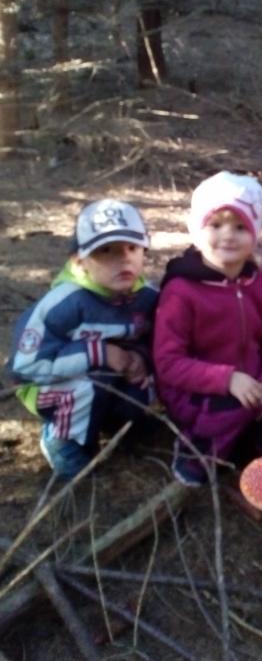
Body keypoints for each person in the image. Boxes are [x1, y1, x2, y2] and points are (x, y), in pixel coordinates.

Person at [153, 171, 262, 486]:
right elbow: (168, 362)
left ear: (255, 233)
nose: (228, 236)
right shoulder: (182, 290)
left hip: (252, 385)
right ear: (197, 230)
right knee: (231, 410)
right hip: (195, 393)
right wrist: (227, 379)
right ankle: (194, 454)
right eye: (216, 225)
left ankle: (249, 456)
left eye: (240, 227)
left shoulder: (259, 283)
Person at [9, 199, 158, 480]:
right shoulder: (65, 303)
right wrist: (98, 353)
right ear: (79, 260)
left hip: (112, 377)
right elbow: (26, 366)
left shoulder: (147, 297)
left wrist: (140, 357)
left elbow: (157, 339)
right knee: (89, 385)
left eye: (132, 248)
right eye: (106, 251)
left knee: (148, 379)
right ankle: (63, 440)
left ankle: (117, 423)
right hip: (49, 384)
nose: (124, 259)